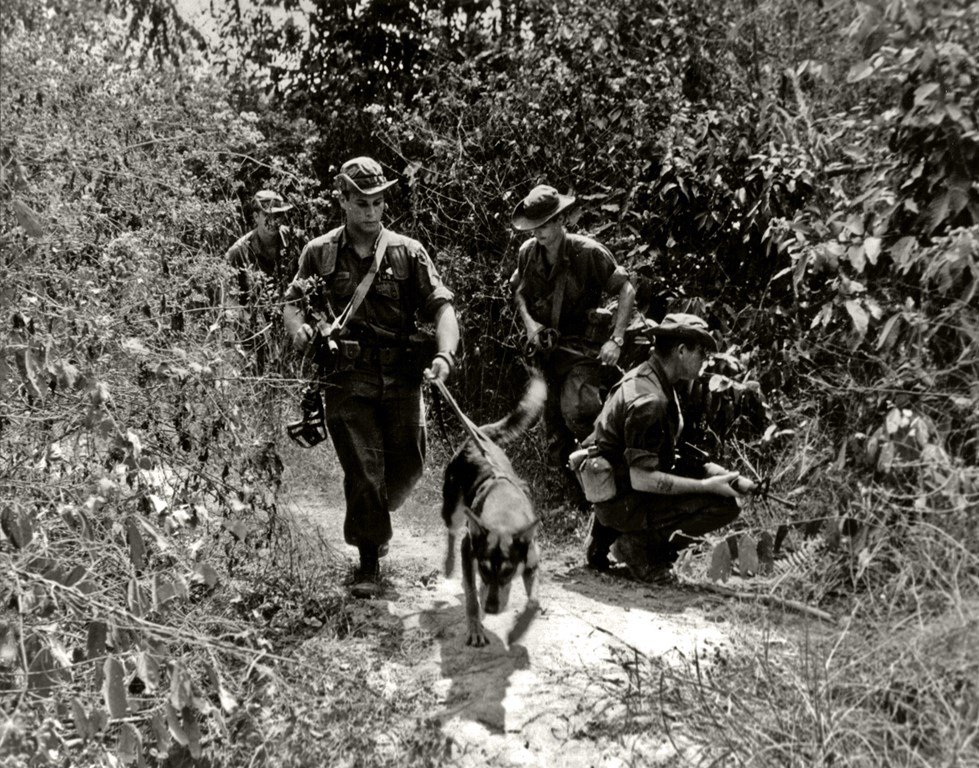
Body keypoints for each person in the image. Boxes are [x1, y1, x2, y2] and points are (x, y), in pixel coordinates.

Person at [283, 156, 460, 598]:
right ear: (342, 200)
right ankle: (367, 561)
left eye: (378, 202)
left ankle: (374, 519)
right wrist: (299, 329)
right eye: (361, 202)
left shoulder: (407, 252)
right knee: (363, 467)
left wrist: (445, 354)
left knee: (410, 467)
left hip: (401, 379)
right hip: (346, 378)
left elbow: (442, 308)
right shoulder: (319, 252)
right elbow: (291, 303)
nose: (372, 211)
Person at [577, 313, 756, 581]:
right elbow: (642, 478)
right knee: (726, 505)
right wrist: (708, 486)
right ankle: (638, 548)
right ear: (682, 351)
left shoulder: (648, 377)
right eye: (702, 352)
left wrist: (730, 477)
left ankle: (607, 535)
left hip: (615, 492)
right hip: (625, 496)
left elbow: (669, 453)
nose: (705, 360)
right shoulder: (649, 401)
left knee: (721, 489)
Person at [509, 183, 636, 499]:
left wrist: (616, 340)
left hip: (583, 351)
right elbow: (519, 292)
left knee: (578, 411)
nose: (539, 232)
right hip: (547, 351)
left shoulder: (588, 253)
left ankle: (609, 486)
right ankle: (565, 497)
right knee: (552, 422)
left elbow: (627, 290)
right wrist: (530, 325)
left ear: (560, 220)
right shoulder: (528, 255)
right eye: (534, 226)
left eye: (545, 224)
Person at [223, 189, 296, 372]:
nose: (274, 221)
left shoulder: (296, 241)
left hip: (292, 320)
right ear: (256, 217)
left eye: (278, 215)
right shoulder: (238, 252)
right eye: (268, 215)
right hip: (255, 327)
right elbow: (229, 304)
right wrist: (251, 320)